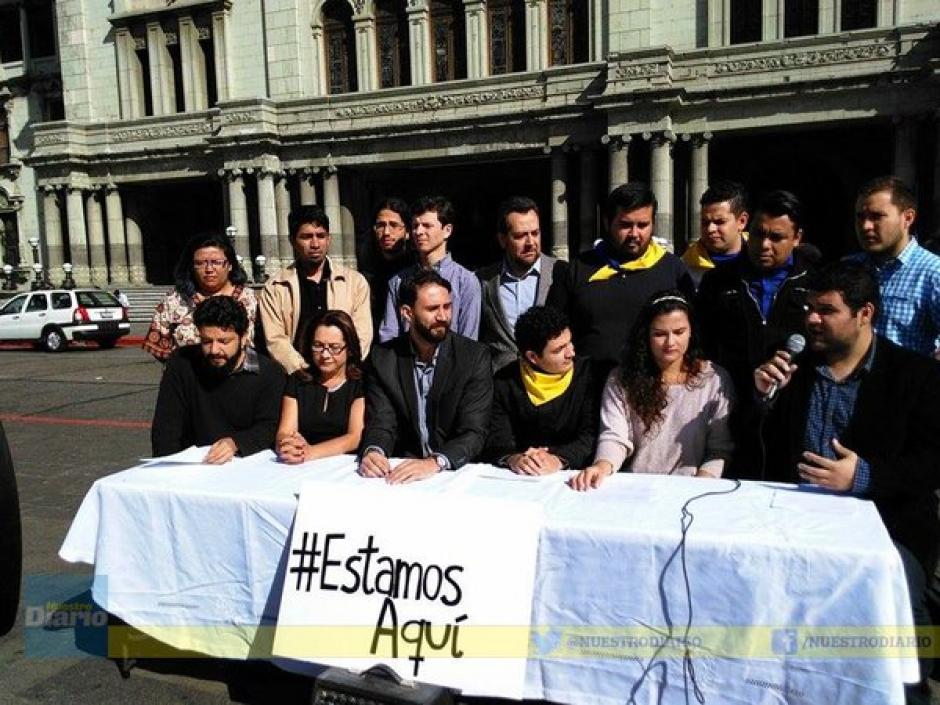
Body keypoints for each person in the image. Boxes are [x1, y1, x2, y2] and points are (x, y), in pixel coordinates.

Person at [754, 261, 940, 698]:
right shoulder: (793, 363)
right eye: (809, 309)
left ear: (865, 314)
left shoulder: (915, 376)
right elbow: (762, 446)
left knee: (899, 606)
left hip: (888, 523)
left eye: (827, 310)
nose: (812, 320)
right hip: (796, 520)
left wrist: (864, 477)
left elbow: (931, 462)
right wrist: (762, 399)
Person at [696, 189, 817, 478]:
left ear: (797, 237)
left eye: (777, 238)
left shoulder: (815, 283)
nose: (764, 244)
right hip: (731, 412)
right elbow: (703, 344)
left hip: (793, 418)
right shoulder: (718, 281)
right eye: (759, 234)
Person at [570, 291, 734, 490]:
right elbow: (615, 437)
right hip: (634, 486)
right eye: (660, 334)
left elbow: (719, 450)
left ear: (691, 331)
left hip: (691, 490)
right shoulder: (621, 378)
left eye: (679, 332)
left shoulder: (714, 379)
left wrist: (699, 486)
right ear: (646, 335)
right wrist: (601, 466)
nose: (670, 342)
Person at [359, 269, 492, 484]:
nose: (443, 316)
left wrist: (435, 462)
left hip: (456, 472)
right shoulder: (383, 358)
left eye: (447, 307)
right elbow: (382, 421)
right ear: (407, 313)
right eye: (432, 309)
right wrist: (374, 451)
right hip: (403, 469)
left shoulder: (474, 357)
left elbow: (474, 431)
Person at [547, 182, 695, 373]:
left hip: (655, 388)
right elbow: (552, 331)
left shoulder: (673, 270)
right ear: (607, 222)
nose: (634, 234)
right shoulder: (578, 269)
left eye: (642, 225)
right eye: (625, 225)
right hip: (591, 389)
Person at [151, 296, 285, 463]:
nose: (214, 350)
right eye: (206, 341)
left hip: (247, 463)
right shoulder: (182, 363)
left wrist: (236, 443)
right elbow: (166, 426)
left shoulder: (269, 373)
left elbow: (269, 426)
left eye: (224, 341)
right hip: (192, 464)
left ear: (243, 338)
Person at [259, 205, 372, 375]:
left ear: (329, 239)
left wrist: (340, 367)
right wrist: (301, 369)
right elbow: (275, 339)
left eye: (320, 236)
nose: (314, 244)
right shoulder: (276, 287)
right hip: (297, 377)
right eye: (306, 237)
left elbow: (362, 333)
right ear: (292, 240)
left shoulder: (354, 282)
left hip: (343, 375)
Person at [486, 306, 597, 473]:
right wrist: (514, 458)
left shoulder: (590, 375)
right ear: (533, 357)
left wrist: (558, 458)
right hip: (521, 477)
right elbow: (497, 437)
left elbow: (590, 436)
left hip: (575, 475)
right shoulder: (505, 382)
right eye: (559, 349)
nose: (571, 353)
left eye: (569, 342)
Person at [845, 175, 940, 358]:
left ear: (908, 218)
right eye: (860, 217)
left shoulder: (932, 273)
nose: (865, 226)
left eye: (876, 217)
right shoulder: (849, 267)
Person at [476, 196, 568, 371]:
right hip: (500, 384)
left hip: (549, 382)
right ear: (502, 240)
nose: (530, 243)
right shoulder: (483, 280)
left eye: (535, 233)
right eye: (520, 236)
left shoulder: (561, 273)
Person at [379, 196, 481, 342]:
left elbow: (469, 340)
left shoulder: (466, 281)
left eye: (427, 225)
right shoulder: (397, 281)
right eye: (415, 226)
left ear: (447, 230)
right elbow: (389, 336)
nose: (418, 232)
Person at [143, 232, 257, 362]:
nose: (209, 269)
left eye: (216, 262)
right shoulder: (175, 300)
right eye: (200, 263)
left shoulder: (252, 300)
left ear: (230, 265)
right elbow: (160, 350)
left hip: (241, 379)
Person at [275, 310, 365, 464]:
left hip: (344, 465)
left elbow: (354, 437)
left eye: (334, 347)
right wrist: (287, 445)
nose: (325, 355)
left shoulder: (359, 383)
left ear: (349, 349)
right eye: (318, 346)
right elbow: (285, 431)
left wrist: (311, 452)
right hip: (299, 464)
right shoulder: (298, 380)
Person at [681, 180, 749, 287]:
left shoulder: (762, 258)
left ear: (741, 221)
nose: (710, 229)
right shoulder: (684, 269)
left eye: (719, 222)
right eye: (705, 222)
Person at [364, 198, 414, 331]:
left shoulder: (415, 271)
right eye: (380, 225)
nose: (386, 232)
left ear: (407, 231)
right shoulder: (367, 275)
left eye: (393, 225)